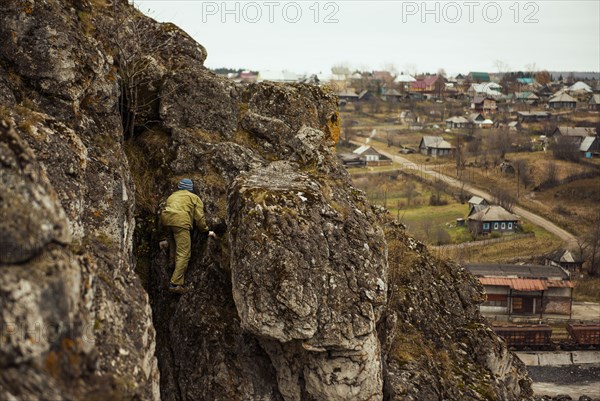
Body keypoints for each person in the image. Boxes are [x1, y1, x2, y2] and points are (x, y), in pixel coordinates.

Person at [160, 178, 215, 294]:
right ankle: (175, 284)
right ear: (191, 188)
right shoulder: (194, 198)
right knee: (184, 253)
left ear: (180, 187)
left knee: (174, 245)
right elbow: (199, 218)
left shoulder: (172, 196)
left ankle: (172, 263)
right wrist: (205, 231)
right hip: (181, 222)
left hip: (166, 221)